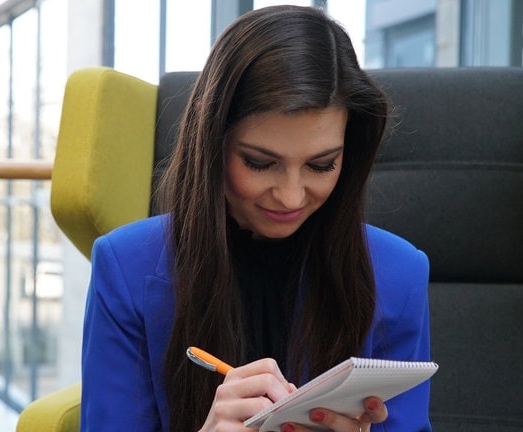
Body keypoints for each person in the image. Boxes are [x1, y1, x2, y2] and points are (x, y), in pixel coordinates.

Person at [80, 5, 431, 432]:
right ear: (212, 144)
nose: (290, 196)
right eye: (260, 163)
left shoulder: (400, 274)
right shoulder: (125, 267)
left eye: (321, 165)